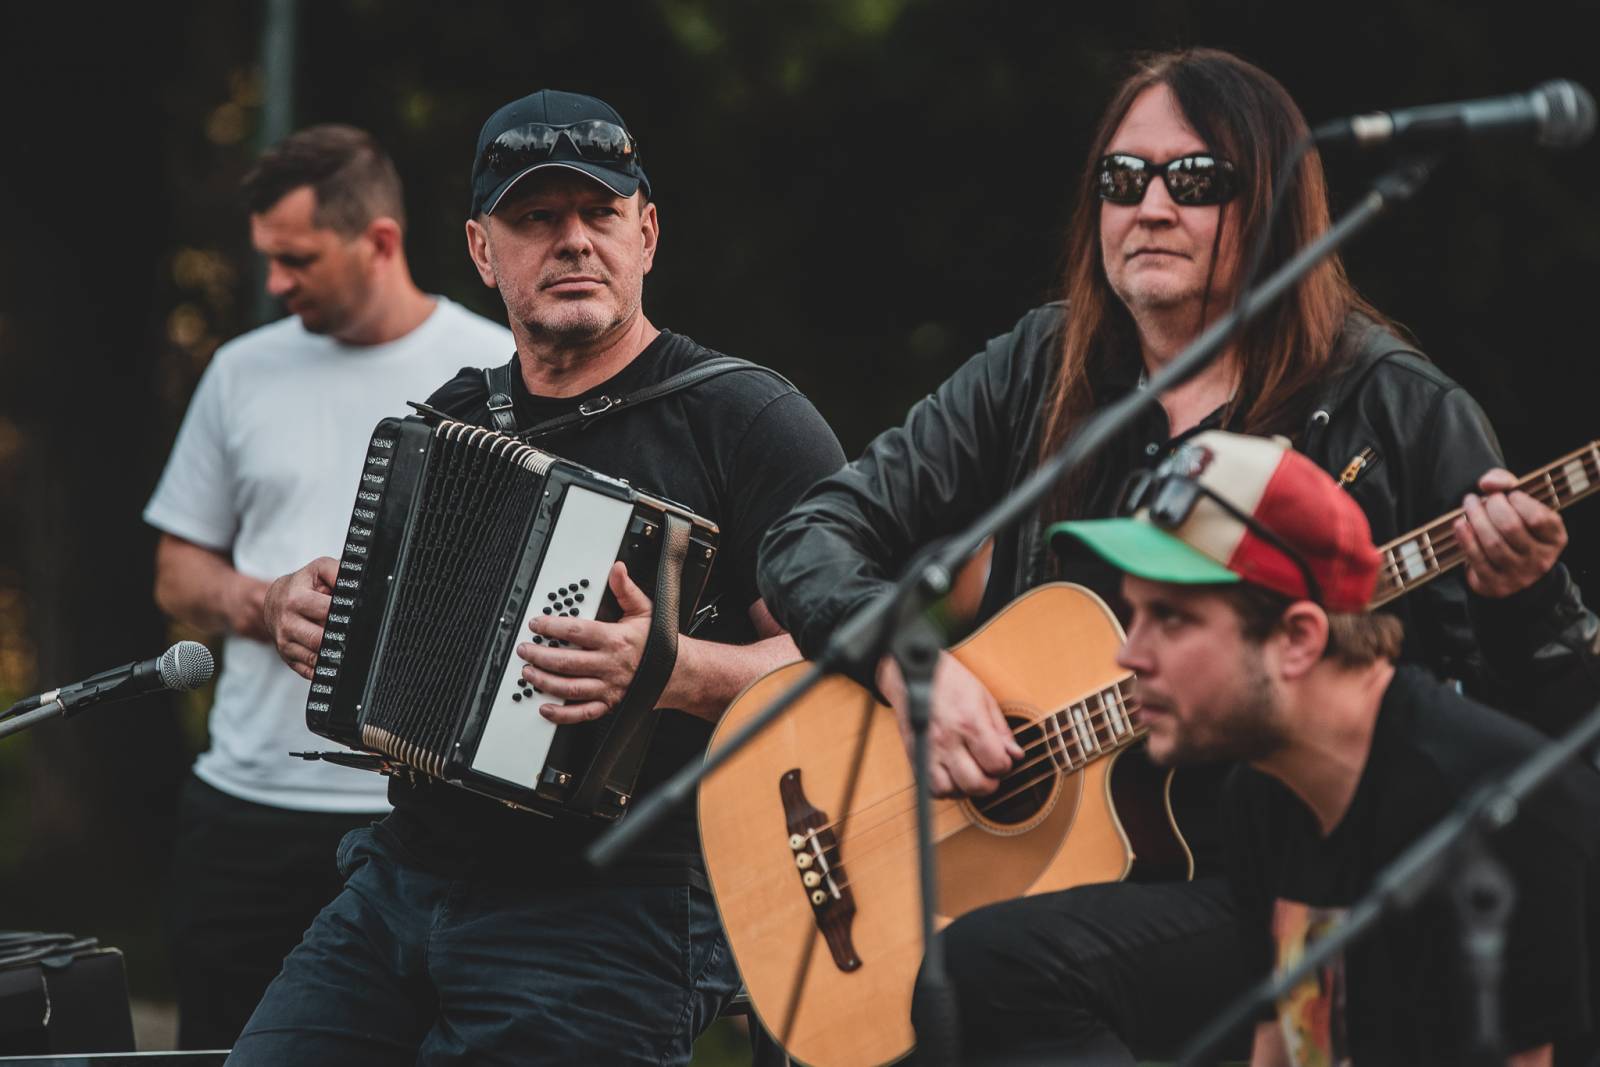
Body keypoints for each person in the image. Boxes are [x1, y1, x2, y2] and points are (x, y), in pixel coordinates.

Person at [757, 47, 1600, 1063]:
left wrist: (1525, 595)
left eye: (1193, 181)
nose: (1148, 206)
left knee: (972, 980)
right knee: (811, 1019)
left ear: (1277, 205)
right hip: (1050, 854)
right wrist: (912, 662)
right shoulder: (1044, 364)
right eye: (1121, 180)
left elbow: (1526, 742)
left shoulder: (1396, 408)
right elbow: (810, 533)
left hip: (1284, 878)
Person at [232, 89, 845, 1065]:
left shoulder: (743, 419)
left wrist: (673, 670)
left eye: (598, 214)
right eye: (535, 219)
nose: (572, 242)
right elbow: (395, 628)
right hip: (407, 871)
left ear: (645, 233)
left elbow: (858, 665)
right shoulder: (449, 418)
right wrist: (310, 613)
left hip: (619, 895)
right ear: (483, 251)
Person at [1053, 429, 1599, 1066]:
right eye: (1133, 613)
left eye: (1172, 618)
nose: (1128, 654)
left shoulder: (1496, 807)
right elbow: (1287, 1045)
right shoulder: (1265, 790)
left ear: (1299, 639)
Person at [144, 124, 513, 1049]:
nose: (274, 283)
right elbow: (176, 572)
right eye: (268, 259)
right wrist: (261, 603)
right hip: (247, 810)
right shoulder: (240, 371)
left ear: (379, 243)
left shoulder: (502, 371)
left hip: (423, 818)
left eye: (296, 259)